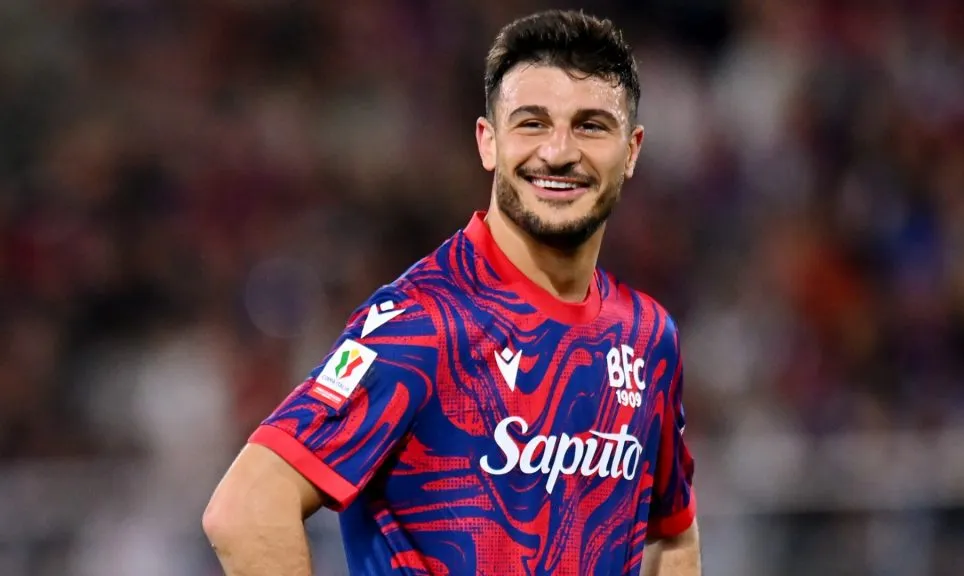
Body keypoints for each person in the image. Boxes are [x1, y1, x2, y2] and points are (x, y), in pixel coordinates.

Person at [203, 9, 700, 576]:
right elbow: (245, 510)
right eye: (531, 123)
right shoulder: (422, 319)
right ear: (488, 143)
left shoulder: (647, 337)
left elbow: (672, 537)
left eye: (590, 125)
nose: (559, 151)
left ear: (632, 150)